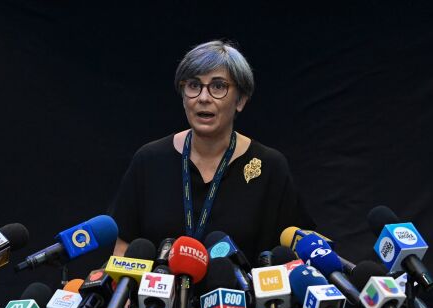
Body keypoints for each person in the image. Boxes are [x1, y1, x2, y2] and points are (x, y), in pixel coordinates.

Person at [110, 40, 314, 262]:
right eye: (194, 85)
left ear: (241, 100)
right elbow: (124, 247)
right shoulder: (149, 160)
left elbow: (294, 255)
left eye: (218, 86)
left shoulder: (269, 166)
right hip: (157, 296)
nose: (203, 98)